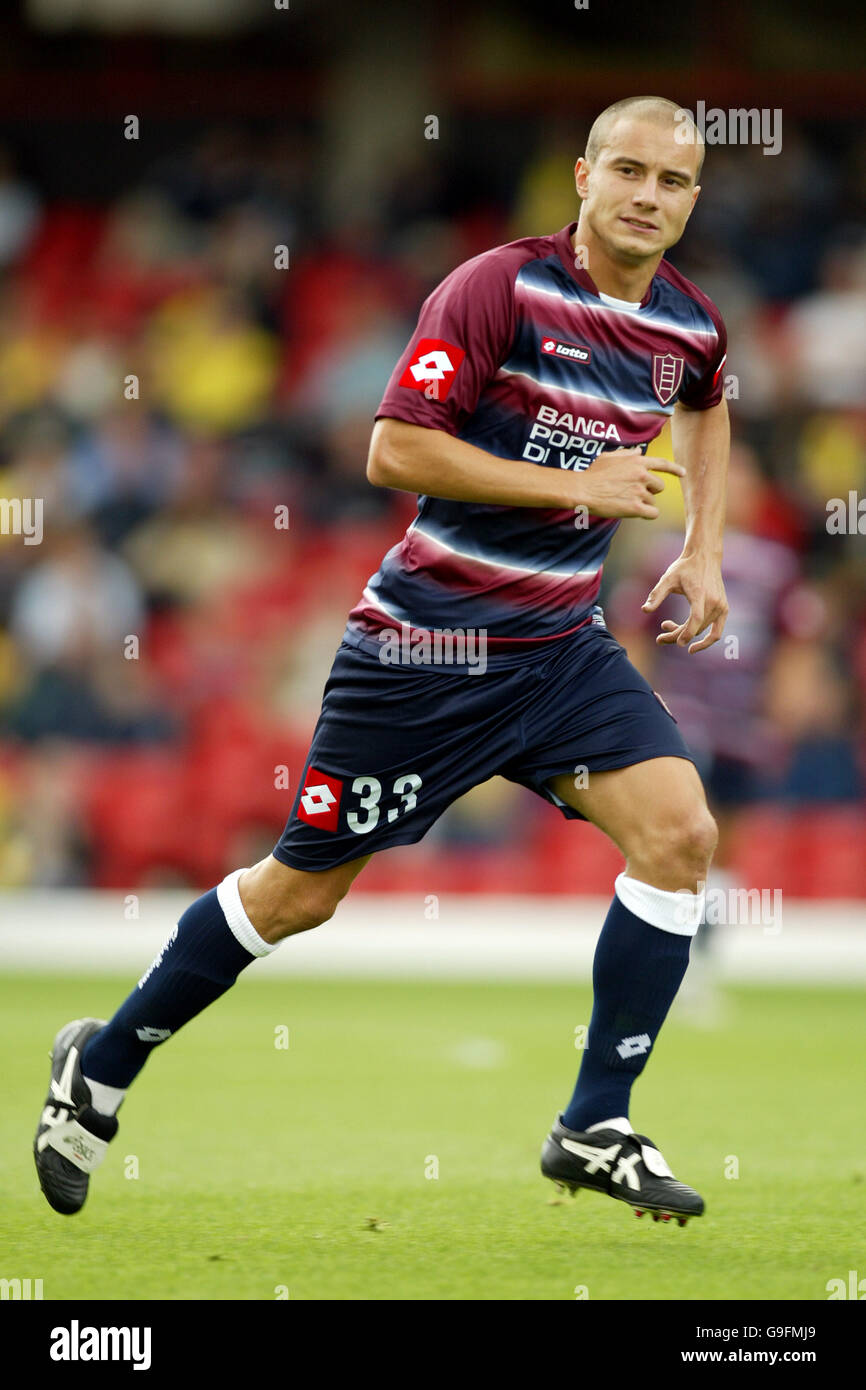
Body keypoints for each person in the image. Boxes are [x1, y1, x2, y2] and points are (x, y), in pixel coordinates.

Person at [35, 95, 729, 1226]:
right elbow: (391, 447)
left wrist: (700, 549)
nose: (648, 196)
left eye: (673, 181)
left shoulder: (690, 324)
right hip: (424, 649)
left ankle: (591, 1120)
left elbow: (706, 404)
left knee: (679, 834)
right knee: (297, 895)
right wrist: (576, 486)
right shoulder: (496, 288)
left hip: (558, 649)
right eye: (629, 172)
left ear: (692, 199)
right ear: (582, 176)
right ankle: (102, 1065)